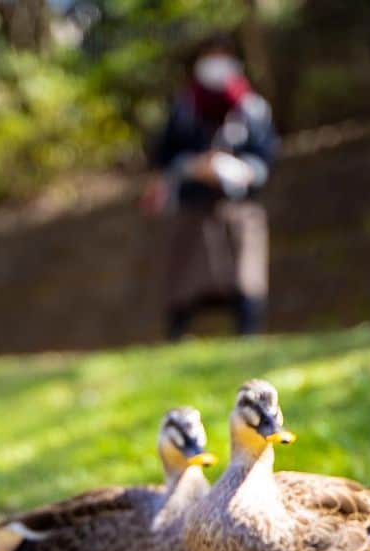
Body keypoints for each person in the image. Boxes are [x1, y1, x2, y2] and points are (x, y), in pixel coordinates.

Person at [143, 32, 278, 339]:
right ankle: (176, 339)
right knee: (184, 280)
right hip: (193, 206)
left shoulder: (252, 109)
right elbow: (163, 157)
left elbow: (266, 157)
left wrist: (243, 170)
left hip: (239, 206)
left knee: (246, 277)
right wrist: (191, 166)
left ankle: (248, 338)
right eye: (210, 56)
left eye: (223, 55)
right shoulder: (183, 107)